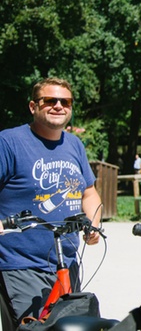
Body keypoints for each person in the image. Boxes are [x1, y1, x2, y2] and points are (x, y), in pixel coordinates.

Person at [0, 78, 103, 322]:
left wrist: (93, 224)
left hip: (65, 263)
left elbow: (89, 192)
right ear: (33, 106)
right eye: (50, 100)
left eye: (65, 101)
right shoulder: (9, 142)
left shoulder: (74, 144)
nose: (58, 105)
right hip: (20, 265)